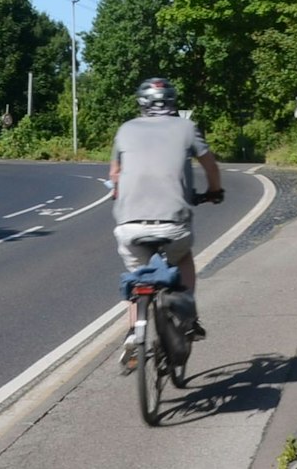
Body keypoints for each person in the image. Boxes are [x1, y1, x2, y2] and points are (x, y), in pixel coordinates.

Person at [109, 76, 222, 371]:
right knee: (183, 256)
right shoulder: (186, 127)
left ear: (141, 104)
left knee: (138, 277)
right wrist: (214, 191)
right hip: (173, 224)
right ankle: (188, 317)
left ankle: (136, 333)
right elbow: (210, 165)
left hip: (129, 226)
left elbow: (115, 175)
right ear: (172, 102)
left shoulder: (125, 129)